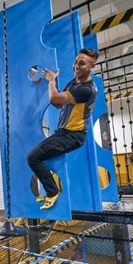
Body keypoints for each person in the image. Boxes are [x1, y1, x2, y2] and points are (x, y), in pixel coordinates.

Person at [27, 48, 99, 210]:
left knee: (33, 157)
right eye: (75, 62)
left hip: (72, 136)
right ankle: (49, 190)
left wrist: (51, 81)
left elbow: (54, 98)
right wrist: (48, 84)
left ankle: (52, 192)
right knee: (36, 156)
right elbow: (58, 104)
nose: (76, 66)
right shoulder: (73, 83)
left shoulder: (87, 89)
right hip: (63, 133)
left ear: (91, 67)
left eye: (82, 63)